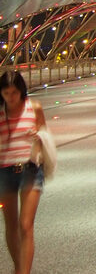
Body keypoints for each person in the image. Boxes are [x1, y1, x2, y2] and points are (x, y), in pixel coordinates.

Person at [0, 71, 47, 274]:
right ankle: (20, 266)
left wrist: (39, 136)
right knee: (10, 225)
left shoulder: (34, 108)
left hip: (30, 169)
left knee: (25, 225)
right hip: (4, 171)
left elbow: (45, 133)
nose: (10, 97)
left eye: (14, 92)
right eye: (6, 92)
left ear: (22, 91)